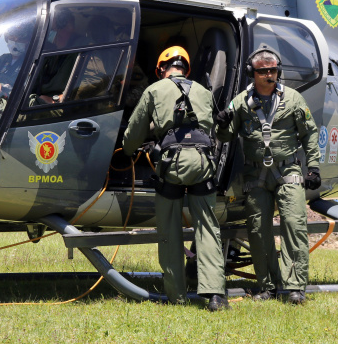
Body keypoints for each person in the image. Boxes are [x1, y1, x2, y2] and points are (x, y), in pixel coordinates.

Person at [122, 46, 229, 312]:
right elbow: (214, 129)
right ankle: (215, 294)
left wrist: (128, 148)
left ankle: (177, 295)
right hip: (203, 164)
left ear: (160, 69)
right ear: (187, 70)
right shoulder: (204, 92)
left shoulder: (155, 90)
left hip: (171, 166)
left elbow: (133, 135)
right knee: (207, 227)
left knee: (169, 230)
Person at [215, 45, 321, 304]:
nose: (269, 75)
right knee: (258, 230)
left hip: (288, 170)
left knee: (294, 225)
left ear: (278, 71)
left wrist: (314, 167)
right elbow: (225, 136)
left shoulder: (293, 99)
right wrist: (221, 121)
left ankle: (294, 287)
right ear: (253, 73)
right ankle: (268, 286)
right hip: (255, 175)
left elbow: (309, 133)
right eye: (263, 72)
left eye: (273, 70)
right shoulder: (240, 102)